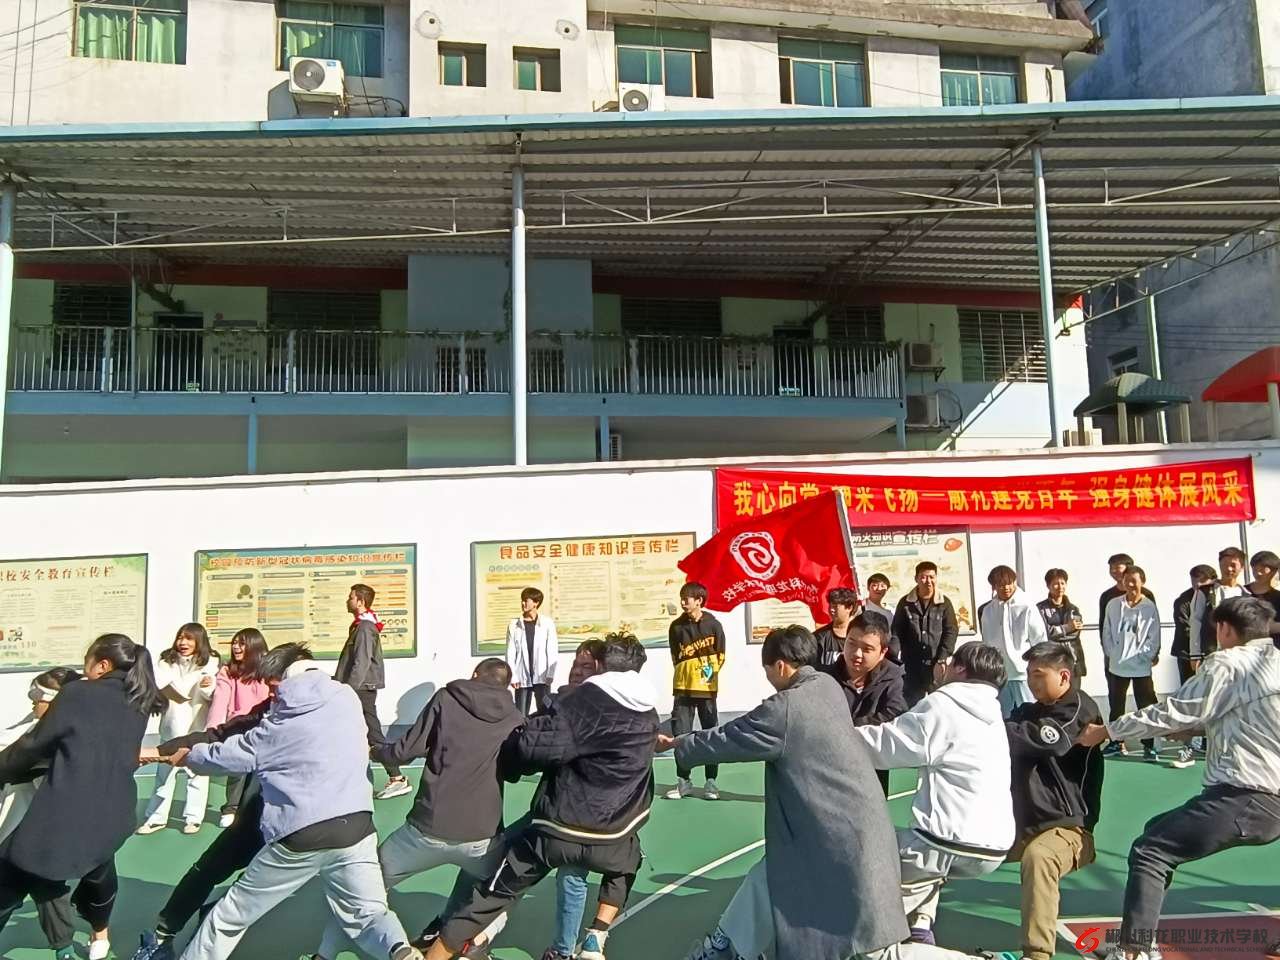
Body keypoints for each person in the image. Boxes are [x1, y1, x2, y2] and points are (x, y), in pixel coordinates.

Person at [675, 626, 984, 960]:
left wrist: (680, 745)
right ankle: (724, 948)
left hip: (838, 843)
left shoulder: (786, 707)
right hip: (846, 831)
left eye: (767, 671)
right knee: (767, 877)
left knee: (878, 954)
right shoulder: (827, 686)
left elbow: (731, 737)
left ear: (780, 666)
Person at [173, 643, 422, 960]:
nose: (271, 695)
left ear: (287, 679)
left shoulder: (282, 723)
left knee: (228, 918)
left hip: (301, 835)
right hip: (356, 827)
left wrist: (190, 756)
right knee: (370, 913)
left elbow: (234, 755)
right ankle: (398, 949)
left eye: (273, 686)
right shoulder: (348, 700)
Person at [424, 634, 659, 960]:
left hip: (561, 826)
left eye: (586, 665)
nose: (578, 671)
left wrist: (508, 761)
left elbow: (533, 746)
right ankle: (594, 936)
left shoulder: (583, 704)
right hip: (614, 831)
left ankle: (451, 942)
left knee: (494, 888)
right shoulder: (648, 712)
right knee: (626, 860)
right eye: (575, 664)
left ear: (600, 666)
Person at [1078, 596, 1280, 960]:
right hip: (1270, 796)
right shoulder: (1275, 662)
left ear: (1224, 629)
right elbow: (1249, 715)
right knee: (1158, 828)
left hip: (1245, 795)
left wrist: (1106, 731)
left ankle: (1135, 951)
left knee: (1150, 850)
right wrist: (1200, 728)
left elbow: (1173, 711)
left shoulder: (1228, 663)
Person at [315, 658, 524, 960]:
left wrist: (377, 751)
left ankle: (326, 954)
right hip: (481, 838)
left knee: (361, 887)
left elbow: (406, 750)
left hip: (425, 831)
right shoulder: (515, 717)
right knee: (503, 890)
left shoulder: (447, 698)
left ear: (474, 674)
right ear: (507, 686)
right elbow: (515, 770)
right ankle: (473, 944)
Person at [0, 635, 166, 957]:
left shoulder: (78, 694)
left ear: (102, 664)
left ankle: (67, 945)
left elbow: (32, 748)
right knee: (99, 875)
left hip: (66, 815)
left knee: (12, 872)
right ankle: (98, 936)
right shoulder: (140, 699)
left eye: (87, 661)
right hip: (114, 816)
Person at [854, 642, 1014, 946]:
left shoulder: (944, 704)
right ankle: (921, 926)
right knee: (925, 864)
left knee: (865, 865)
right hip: (994, 847)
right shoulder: (993, 713)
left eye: (950, 663)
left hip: (945, 842)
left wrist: (836, 735)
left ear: (960, 669)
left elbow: (887, 745)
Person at [986, 642, 1105, 960]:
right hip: (1020, 825)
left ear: (1064, 676)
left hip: (1068, 828)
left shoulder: (1080, 709)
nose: (1031, 681)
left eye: (1038, 675)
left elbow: (1045, 740)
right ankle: (918, 926)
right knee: (950, 845)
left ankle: (1037, 954)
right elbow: (1011, 729)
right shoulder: (1029, 711)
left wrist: (993, 730)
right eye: (1028, 674)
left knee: (1039, 858)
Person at [0, 668, 109, 960]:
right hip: (24, 827)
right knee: (47, 888)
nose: (32, 700)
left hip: (37, 831)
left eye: (38, 695)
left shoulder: (63, 740)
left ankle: (70, 946)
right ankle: (64, 949)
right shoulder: (35, 726)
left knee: (17, 886)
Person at [138, 623, 220, 835]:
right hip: (171, 726)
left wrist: (208, 686)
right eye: (180, 638)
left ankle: (193, 818)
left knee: (197, 773)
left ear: (199, 641)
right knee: (164, 774)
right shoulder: (166, 660)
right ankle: (156, 818)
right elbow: (163, 685)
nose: (183, 643)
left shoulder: (211, 661)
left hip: (196, 726)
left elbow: (212, 695)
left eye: (189, 639)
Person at [819, 613, 907, 795]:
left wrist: (851, 729)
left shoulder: (893, 678)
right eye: (851, 644)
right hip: (830, 766)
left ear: (882, 652)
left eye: (867, 649)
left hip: (872, 767)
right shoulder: (824, 677)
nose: (856, 654)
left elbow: (895, 713)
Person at [336, 583, 407, 801]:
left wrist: (349, 689)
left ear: (360, 601)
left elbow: (362, 661)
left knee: (373, 734)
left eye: (350, 597)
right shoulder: (361, 626)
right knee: (357, 732)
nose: (347, 600)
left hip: (361, 689)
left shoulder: (365, 627)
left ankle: (396, 777)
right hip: (359, 688)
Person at [667, 581, 727, 800]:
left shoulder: (714, 625)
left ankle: (711, 782)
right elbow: (675, 656)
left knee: (710, 735)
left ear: (699, 601)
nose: (683, 602)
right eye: (682, 598)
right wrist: (686, 674)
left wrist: (706, 676)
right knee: (681, 736)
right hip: (682, 689)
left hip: (706, 689)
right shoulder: (676, 627)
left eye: (687, 599)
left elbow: (721, 655)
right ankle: (684, 781)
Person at [206, 628, 270, 828]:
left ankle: (263, 808)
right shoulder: (227, 671)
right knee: (237, 769)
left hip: (263, 724)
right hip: (238, 725)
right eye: (234, 643)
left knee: (264, 770)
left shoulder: (266, 669)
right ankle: (231, 808)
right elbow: (220, 700)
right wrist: (214, 728)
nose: (236, 647)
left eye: (242, 643)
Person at [1101, 566, 1161, 761]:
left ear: (1142, 581)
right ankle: (1116, 742)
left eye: (1134, 580)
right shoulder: (1113, 604)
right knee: (1116, 706)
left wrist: (1144, 656)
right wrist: (1112, 653)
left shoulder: (1149, 606)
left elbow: (1154, 636)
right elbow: (1107, 631)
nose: (1130, 584)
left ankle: (1149, 744)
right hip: (1117, 666)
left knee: (1146, 705)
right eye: (1127, 580)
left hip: (1141, 667)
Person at [977, 566, 1048, 717]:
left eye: (1010, 583)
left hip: (1024, 673)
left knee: (1031, 712)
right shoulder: (988, 610)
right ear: (994, 586)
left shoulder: (1027, 606)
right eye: (1001, 585)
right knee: (1003, 716)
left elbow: (1039, 640)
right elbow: (987, 642)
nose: (1006, 588)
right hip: (999, 674)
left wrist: (1039, 667)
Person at [1169, 564, 1216, 769]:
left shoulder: (1218, 596)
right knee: (1191, 699)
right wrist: (1195, 653)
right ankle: (1189, 747)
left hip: (1215, 656)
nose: (1197, 584)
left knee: (1215, 701)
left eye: (1202, 580)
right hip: (1188, 656)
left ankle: (1209, 744)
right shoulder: (1184, 600)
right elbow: (1187, 626)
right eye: (1194, 580)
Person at [893, 562, 959, 705]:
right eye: (923, 577)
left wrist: (942, 658)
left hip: (935, 663)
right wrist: (894, 657)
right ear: (916, 579)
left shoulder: (944, 603)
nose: (928, 581)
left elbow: (951, 631)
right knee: (911, 705)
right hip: (911, 665)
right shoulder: (905, 603)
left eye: (931, 577)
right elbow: (897, 631)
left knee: (938, 704)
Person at [506, 586, 558, 717]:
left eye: (526, 600)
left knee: (545, 712)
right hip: (522, 676)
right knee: (521, 714)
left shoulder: (547, 623)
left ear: (536, 603)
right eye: (522, 600)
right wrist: (513, 676)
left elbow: (552, 649)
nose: (523, 603)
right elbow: (510, 652)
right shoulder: (514, 625)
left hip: (542, 675)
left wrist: (550, 673)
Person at [1037, 569, 1086, 680]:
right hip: (1052, 657)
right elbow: (1044, 633)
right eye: (1055, 584)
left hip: (1073, 657)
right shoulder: (1040, 609)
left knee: (1074, 688)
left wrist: (1056, 632)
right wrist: (1067, 627)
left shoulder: (1073, 609)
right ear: (1048, 586)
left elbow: (1075, 633)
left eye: (1062, 583)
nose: (1060, 587)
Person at [813, 587, 859, 667]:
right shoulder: (820, 637)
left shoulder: (861, 635)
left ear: (849, 608)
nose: (831, 610)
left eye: (835, 606)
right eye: (830, 606)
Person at [1245, 549, 1280, 618]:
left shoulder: (1278, 596)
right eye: (1255, 570)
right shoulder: (1242, 591)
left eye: (1262, 570)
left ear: (1273, 571)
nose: (1258, 573)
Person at [864, 573, 897, 641]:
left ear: (887, 589)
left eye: (882, 586)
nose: (879, 589)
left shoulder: (890, 611)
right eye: (875, 585)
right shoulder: (861, 606)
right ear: (868, 587)